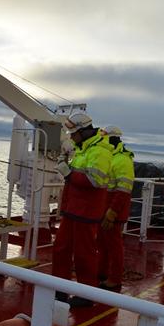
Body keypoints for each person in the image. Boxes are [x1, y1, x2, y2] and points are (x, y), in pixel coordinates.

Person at [52, 112, 112, 307]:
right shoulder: (84, 148)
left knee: (84, 254)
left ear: (84, 131)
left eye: (73, 133)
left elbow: (95, 181)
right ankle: (59, 290)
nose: (70, 137)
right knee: (61, 249)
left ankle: (86, 295)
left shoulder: (100, 152)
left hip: (86, 212)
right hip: (73, 209)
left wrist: (68, 174)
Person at [96, 126, 134, 291]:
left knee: (114, 245)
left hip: (113, 211)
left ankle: (115, 279)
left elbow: (124, 189)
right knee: (102, 243)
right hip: (104, 208)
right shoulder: (111, 157)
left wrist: (112, 213)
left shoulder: (122, 160)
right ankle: (102, 273)